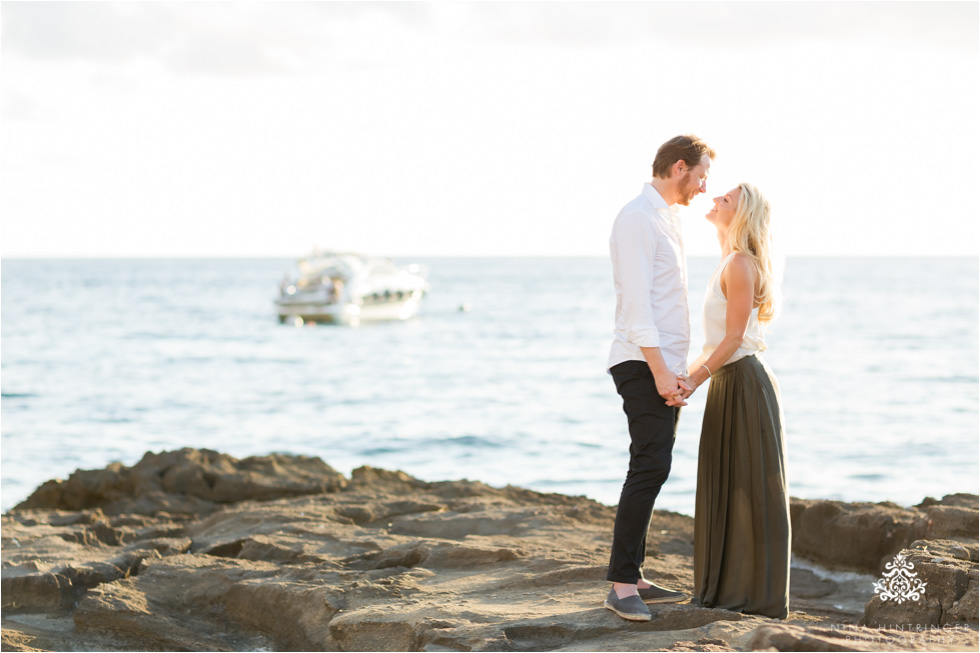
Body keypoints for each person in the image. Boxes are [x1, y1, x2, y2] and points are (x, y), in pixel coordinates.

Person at [603, 135, 715, 622]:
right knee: (648, 466)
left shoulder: (665, 219)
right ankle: (622, 584)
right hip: (642, 362)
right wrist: (661, 372)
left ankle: (635, 574)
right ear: (678, 167)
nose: (705, 185)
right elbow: (636, 308)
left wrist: (674, 371)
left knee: (654, 465)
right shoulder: (637, 218)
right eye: (701, 174)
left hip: (661, 365)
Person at [680, 183, 790, 619]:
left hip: (744, 383)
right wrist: (683, 380)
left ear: (741, 214)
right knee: (726, 483)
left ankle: (756, 598)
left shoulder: (741, 264)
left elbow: (734, 339)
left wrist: (694, 380)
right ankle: (725, 591)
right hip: (729, 382)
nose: (714, 200)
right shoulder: (729, 261)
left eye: (724, 199)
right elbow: (713, 345)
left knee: (752, 490)